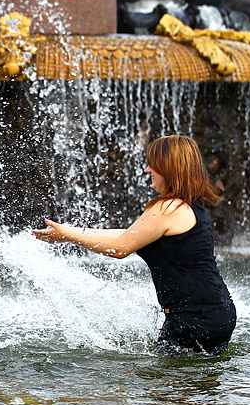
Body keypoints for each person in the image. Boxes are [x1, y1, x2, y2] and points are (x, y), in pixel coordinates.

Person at [32, 135, 236, 355]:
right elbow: (130, 235)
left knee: (163, 386)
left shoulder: (166, 208)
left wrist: (70, 237)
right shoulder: (190, 206)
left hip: (193, 318)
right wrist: (69, 232)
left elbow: (120, 248)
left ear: (169, 168)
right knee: (198, 384)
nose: (148, 169)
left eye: (153, 164)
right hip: (218, 311)